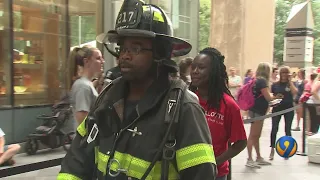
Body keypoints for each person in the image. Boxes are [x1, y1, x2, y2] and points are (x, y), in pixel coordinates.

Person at [58, 0, 217, 179]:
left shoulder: (184, 108)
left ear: (160, 53)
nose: (125, 55)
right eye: (123, 48)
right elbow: (76, 162)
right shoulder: (106, 100)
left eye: (136, 48)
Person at [190, 47, 247, 180]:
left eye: (201, 67)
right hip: (186, 172)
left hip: (215, 174)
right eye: (193, 67)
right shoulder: (186, 99)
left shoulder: (229, 105)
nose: (195, 72)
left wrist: (215, 162)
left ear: (214, 72)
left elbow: (241, 142)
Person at [246, 62, 274, 168]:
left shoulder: (256, 80)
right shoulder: (262, 81)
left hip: (255, 110)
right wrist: (276, 97)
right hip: (258, 111)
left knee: (256, 135)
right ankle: (249, 159)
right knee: (253, 135)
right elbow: (268, 97)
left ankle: (258, 157)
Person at [70, 46, 104, 127]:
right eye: (98, 58)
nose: (103, 61)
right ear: (87, 61)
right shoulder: (83, 86)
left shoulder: (87, 84)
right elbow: (82, 120)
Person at [269, 66, 298, 160]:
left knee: (288, 129)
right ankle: (272, 149)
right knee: (274, 128)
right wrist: (276, 97)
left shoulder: (291, 84)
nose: (284, 75)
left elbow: (295, 93)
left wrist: (290, 81)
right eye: (283, 73)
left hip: (288, 108)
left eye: (286, 73)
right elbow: (271, 96)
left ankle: (288, 150)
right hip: (277, 108)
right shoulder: (275, 84)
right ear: (280, 74)